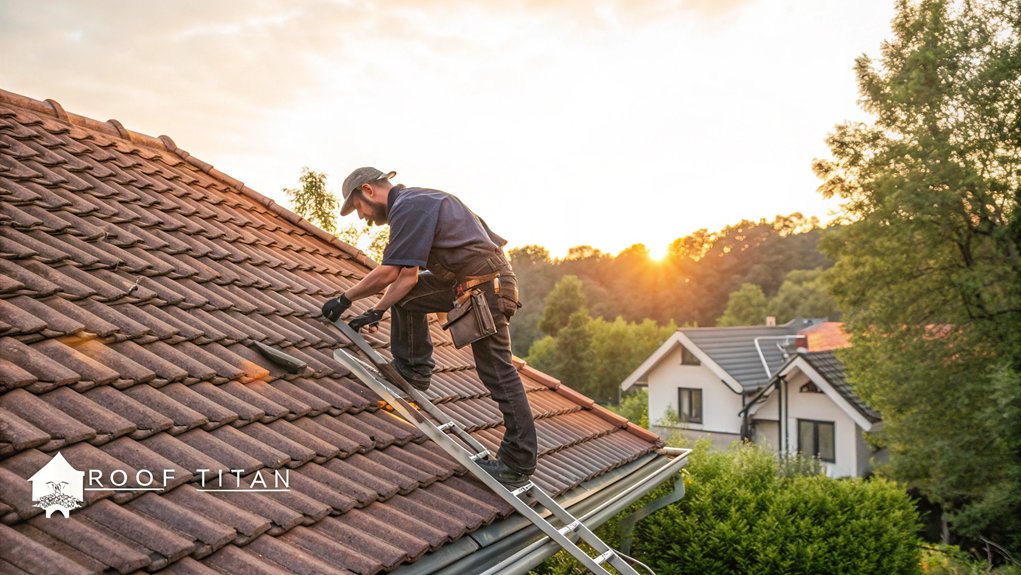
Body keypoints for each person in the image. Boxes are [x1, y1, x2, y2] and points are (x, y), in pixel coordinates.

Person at [322, 167, 536, 487]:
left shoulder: (408, 207)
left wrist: (348, 300)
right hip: (473, 280)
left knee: (497, 372)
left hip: (484, 285)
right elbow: (407, 279)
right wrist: (377, 307)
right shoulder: (423, 199)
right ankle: (413, 369)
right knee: (409, 298)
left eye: (358, 209)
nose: (361, 218)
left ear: (368, 190)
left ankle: (517, 464)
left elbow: (395, 273)